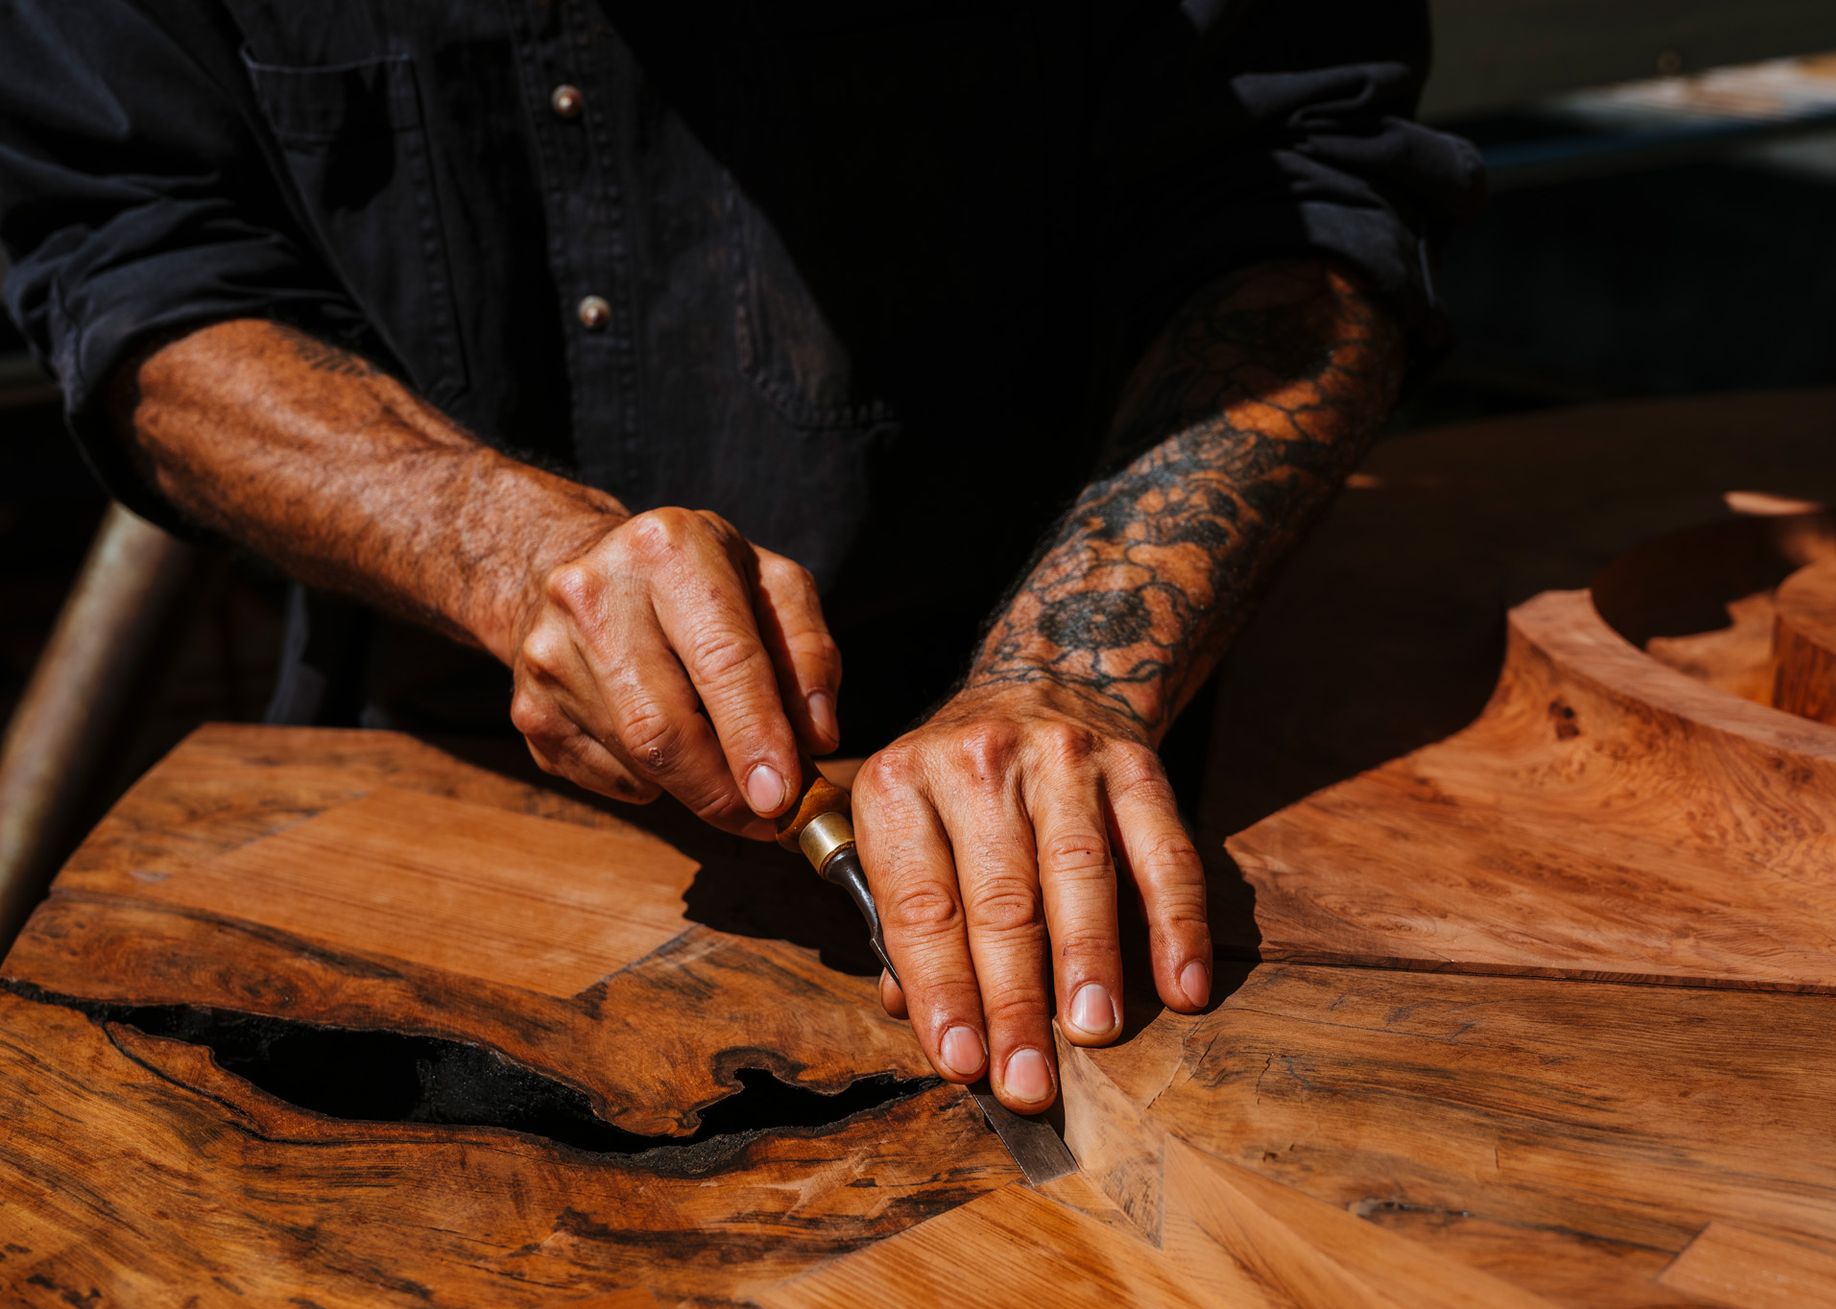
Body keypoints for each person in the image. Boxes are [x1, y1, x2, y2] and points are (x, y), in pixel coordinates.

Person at [0, 1, 1480, 1111]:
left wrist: (1072, 671)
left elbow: (1308, 183)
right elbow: (130, 252)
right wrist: (497, 547)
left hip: (1088, 753)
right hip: (424, 799)